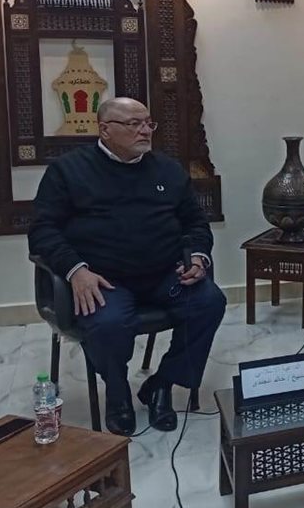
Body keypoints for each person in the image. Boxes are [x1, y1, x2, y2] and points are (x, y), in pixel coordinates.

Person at [28, 97, 226, 436]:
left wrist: (197, 256)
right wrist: (76, 271)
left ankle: (162, 384)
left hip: (164, 274)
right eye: (134, 124)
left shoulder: (167, 170)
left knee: (209, 303)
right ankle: (117, 392)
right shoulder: (68, 171)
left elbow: (195, 223)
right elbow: (42, 231)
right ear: (105, 130)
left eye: (148, 123)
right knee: (108, 323)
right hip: (102, 279)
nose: (145, 131)